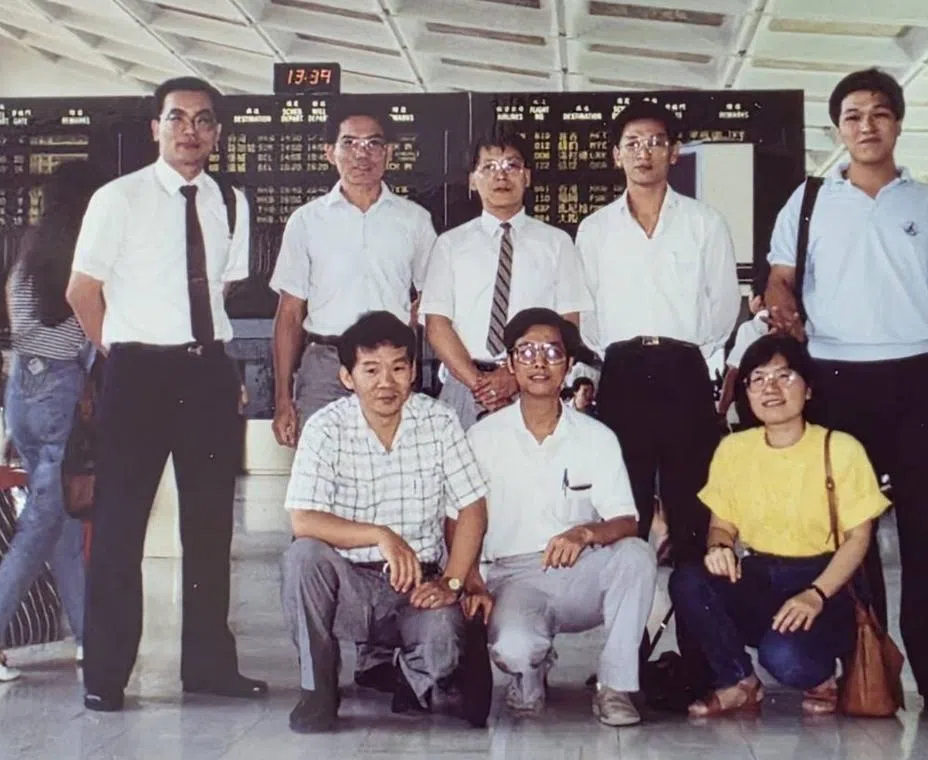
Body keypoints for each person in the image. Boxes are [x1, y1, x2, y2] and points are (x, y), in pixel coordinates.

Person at [764, 68, 928, 717]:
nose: (867, 126)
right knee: (848, 535)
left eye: (880, 113)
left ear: (898, 124)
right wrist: (781, 303)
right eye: (853, 115)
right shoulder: (808, 200)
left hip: (915, 378)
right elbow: (780, 277)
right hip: (834, 380)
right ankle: (865, 672)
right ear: (838, 129)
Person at [66, 76, 265, 711]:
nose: (190, 130)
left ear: (217, 133)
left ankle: (207, 667)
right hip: (137, 375)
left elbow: (220, 289)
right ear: (156, 127)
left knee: (209, 528)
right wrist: (121, 352)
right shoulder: (118, 198)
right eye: (177, 118)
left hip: (206, 375)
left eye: (203, 120)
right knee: (119, 528)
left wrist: (191, 350)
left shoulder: (231, 201)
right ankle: (106, 677)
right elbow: (82, 291)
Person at [281, 311, 490, 734]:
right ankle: (317, 690)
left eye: (398, 368)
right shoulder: (325, 428)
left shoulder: (439, 422)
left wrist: (452, 581)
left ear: (413, 372)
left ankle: (411, 678)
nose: (386, 383)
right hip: (348, 585)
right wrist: (380, 535)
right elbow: (303, 519)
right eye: (371, 370)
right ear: (347, 377)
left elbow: (472, 508)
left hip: (417, 587)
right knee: (302, 557)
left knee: (442, 643)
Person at [669, 334, 888, 716]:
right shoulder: (734, 449)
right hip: (760, 574)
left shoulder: (840, 448)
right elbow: (722, 525)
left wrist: (815, 594)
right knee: (688, 580)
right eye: (758, 379)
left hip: (826, 580)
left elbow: (858, 538)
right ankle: (739, 681)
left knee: (784, 658)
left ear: (809, 388)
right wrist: (719, 547)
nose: (770, 388)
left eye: (784, 376)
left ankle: (821, 675)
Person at [467, 308, 656, 726]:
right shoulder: (482, 438)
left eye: (552, 352)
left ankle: (615, 686)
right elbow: (462, 518)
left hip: (580, 572)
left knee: (636, 556)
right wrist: (473, 580)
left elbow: (627, 520)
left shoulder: (596, 437)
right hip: (513, 577)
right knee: (515, 649)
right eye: (526, 352)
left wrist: (585, 533)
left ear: (568, 365)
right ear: (510, 363)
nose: (539, 362)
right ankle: (530, 672)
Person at [575, 101, 740, 560]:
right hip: (622, 372)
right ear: (616, 155)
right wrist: (618, 352)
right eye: (632, 143)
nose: (643, 152)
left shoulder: (705, 222)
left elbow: (724, 305)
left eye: (655, 142)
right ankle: (628, 608)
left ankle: (694, 605)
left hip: (684, 370)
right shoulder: (595, 229)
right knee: (624, 505)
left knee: (691, 505)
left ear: (674, 152)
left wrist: (685, 351)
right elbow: (586, 311)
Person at [0, 160, 106, 682]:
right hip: (59, 394)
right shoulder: (78, 267)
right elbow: (80, 339)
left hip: (23, 390)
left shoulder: (27, 260)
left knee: (62, 524)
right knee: (40, 526)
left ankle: (89, 637)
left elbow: (23, 334)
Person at [269, 103, 437, 446]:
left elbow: (433, 297)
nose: (362, 154)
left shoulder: (415, 220)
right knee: (319, 469)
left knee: (393, 466)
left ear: (389, 152)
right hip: (324, 367)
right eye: (349, 143)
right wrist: (283, 398)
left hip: (390, 368)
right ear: (329, 152)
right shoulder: (306, 221)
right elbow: (289, 313)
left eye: (373, 143)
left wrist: (404, 341)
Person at [420, 133, 589, 430]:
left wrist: (512, 376)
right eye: (489, 167)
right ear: (472, 181)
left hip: (534, 382)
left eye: (511, 165)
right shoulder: (450, 244)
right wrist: (480, 385)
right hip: (465, 385)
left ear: (527, 177)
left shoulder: (557, 243)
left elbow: (569, 322)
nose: (501, 175)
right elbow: (437, 324)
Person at [717, 292, 770, 422]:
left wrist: (722, 410)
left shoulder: (749, 328)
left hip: (752, 402)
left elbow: (733, 373)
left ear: (758, 300)